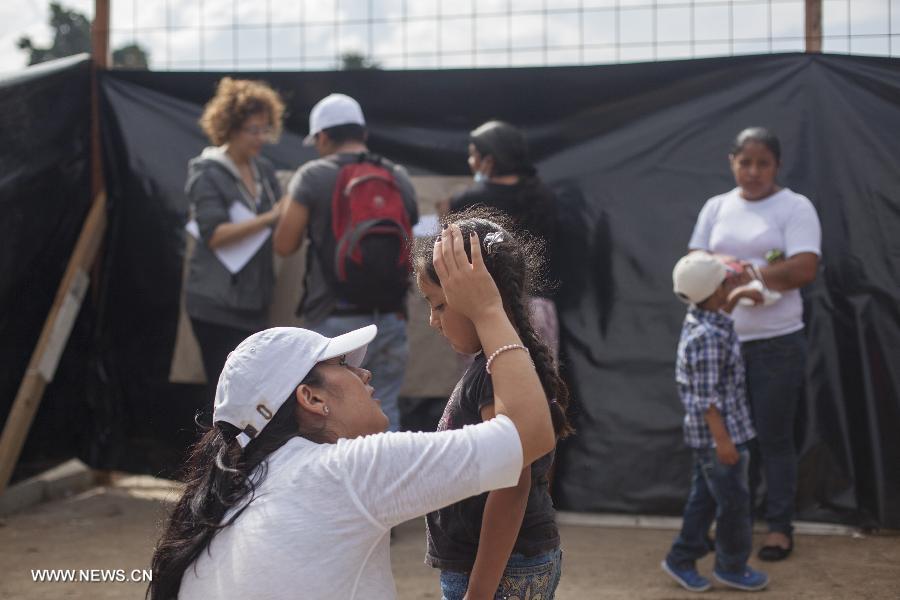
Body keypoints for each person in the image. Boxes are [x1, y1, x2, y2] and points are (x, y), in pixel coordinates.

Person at [147, 224, 557, 600]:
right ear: (311, 399)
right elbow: (528, 436)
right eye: (342, 365)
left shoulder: (235, 497)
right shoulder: (347, 473)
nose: (364, 372)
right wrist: (487, 309)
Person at [414, 209, 572, 600]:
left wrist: (480, 591)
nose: (433, 321)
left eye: (439, 305)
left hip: (499, 573)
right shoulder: (502, 366)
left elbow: (511, 488)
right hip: (511, 564)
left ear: (476, 298)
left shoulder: (494, 375)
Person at [688, 127, 821, 561]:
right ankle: (735, 523)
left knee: (774, 438)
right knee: (728, 441)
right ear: (732, 162)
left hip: (776, 342)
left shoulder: (795, 207)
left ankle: (779, 528)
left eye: (763, 163)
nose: (753, 171)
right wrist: (718, 267)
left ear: (777, 166)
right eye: (745, 162)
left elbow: (804, 267)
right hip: (721, 341)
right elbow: (693, 264)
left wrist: (751, 276)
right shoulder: (716, 207)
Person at [274, 93, 418, 432]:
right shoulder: (398, 176)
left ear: (323, 137)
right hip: (391, 315)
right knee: (385, 413)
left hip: (333, 319)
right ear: (362, 134)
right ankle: (388, 483)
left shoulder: (312, 176)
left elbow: (284, 244)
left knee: (327, 420)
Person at [662, 252, 769, 593]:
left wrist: (736, 297)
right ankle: (731, 567)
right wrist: (723, 442)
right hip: (720, 436)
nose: (731, 284)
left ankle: (681, 557)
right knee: (735, 504)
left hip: (712, 436)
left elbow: (721, 319)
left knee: (704, 499)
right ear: (716, 291)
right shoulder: (706, 337)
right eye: (727, 283)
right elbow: (706, 399)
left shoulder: (702, 318)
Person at [184, 77, 285, 410]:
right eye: (252, 130)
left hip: (254, 301)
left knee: (250, 393)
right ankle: (216, 462)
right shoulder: (207, 172)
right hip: (215, 303)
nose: (260, 138)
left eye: (264, 130)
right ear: (229, 127)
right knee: (223, 393)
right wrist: (270, 218)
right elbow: (213, 235)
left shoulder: (265, 171)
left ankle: (242, 461)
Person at [443, 120, 561, 358]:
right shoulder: (544, 196)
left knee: (484, 388)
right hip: (536, 306)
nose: (471, 162)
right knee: (542, 384)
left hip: (482, 308)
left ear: (489, 160)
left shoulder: (466, 200)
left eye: (473, 155)